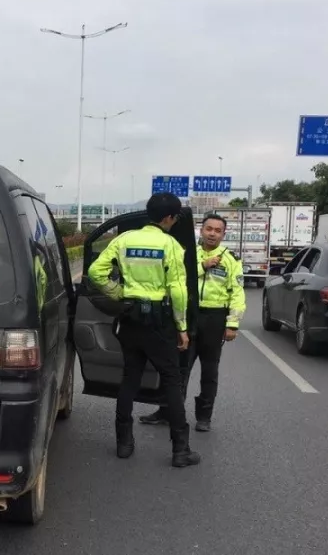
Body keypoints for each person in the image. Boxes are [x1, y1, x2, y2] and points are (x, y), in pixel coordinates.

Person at [87, 192, 201, 468]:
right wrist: (182, 327)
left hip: (130, 318)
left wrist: (119, 293)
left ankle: (124, 444)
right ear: (168, 218)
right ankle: (181, 449)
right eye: (175, 217)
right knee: (172, 380)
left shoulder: (124, 240)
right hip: (159, 322)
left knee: (130, 377)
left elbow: (95, 272)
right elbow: (178, 290)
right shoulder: (171, 245)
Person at [139, 212, 245, 432]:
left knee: (209, 371)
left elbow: (237, 293)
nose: (212, 234)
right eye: (209, 229)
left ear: (224, 234)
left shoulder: (231, 260)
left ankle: (204, 416)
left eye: (218, 231)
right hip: (188, 316)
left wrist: (232, 324)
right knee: (177, 368)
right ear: (201, 230)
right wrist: (203, 266)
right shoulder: (187, 254)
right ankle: (167, 412)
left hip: (214, 318)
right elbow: (178, 278)